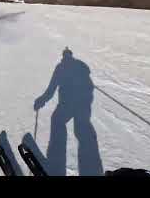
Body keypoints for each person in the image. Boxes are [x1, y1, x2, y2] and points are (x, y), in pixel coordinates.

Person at [34, 47, 103, 176]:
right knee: (81, 126)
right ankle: (90, 162)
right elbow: (89, 87)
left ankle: (57, 151)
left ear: (64, 56)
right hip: (83, 102)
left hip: (68, 103)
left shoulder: (60, 68)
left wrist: (41, 101)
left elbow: (51, 90)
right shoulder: (81, 66)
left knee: (57, 120)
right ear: (70, 55)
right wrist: (86, 100)